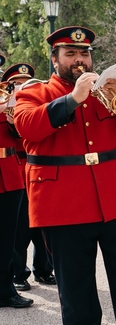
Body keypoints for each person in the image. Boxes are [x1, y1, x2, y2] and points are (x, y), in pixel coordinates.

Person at [15, 27, 116, 325]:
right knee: (75, 279)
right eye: (70, 54)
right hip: (64, 202)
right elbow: (27, 127)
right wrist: (71, 99)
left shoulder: (111, 87)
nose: (79, 60)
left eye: (84, 53)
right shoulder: (34, 92)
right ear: (54, 59)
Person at [6, 63, 55, 293]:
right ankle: (19, 273)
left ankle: (44, 269)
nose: (20, 88)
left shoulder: (35, 101)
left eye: (23, 84)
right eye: (15, 84)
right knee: (20, 227)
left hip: (39, 166)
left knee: (43, 223)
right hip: (17, 166)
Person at [0, 55, 34, 310]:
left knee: (7, 237)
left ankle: (5, 289)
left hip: (9, 173)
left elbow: (20, 136)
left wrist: (14, 121)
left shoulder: (5, 96)